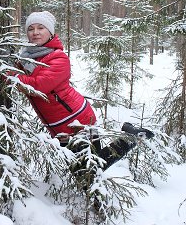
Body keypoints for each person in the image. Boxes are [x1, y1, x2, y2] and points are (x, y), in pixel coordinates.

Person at [8, 11, 154, 177]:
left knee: (90, 171)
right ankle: (129, 135)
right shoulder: (30, 57)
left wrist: (9, 75)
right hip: (60, 125)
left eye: (41, 28)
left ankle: (130, 137)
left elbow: (38, 86)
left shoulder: (58, 58)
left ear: (51, 32)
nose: (35, 32)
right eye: (31, 28)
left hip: (76, 120)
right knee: (82, 170)